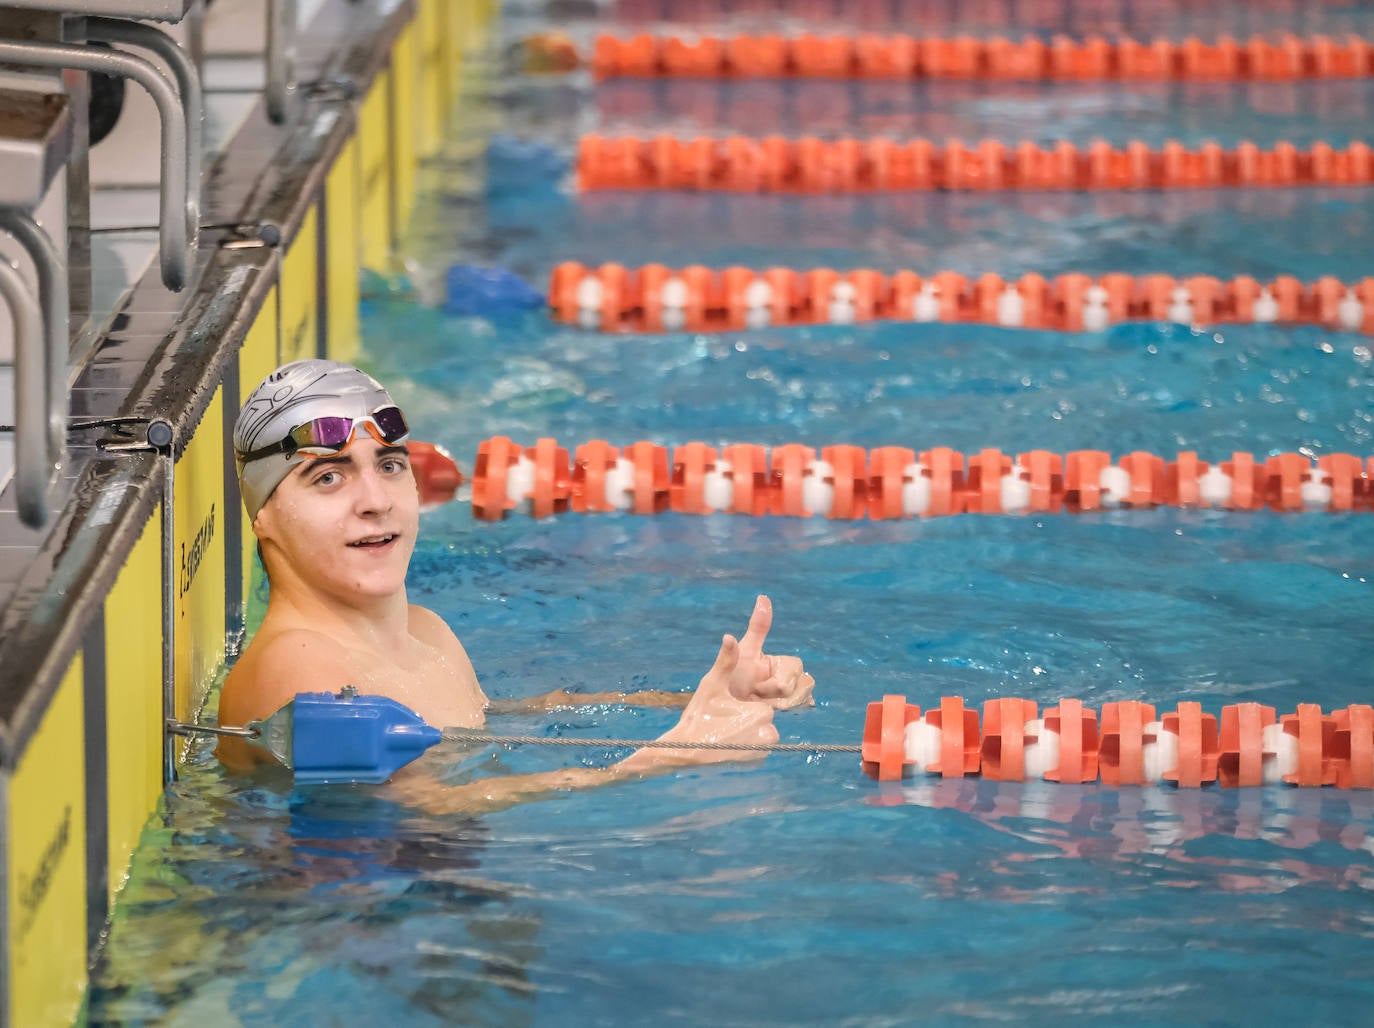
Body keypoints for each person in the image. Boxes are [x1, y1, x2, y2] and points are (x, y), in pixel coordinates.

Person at [219, 359, 815, 809]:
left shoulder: (425, 630)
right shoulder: (299, 668)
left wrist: (710, 701)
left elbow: (495, 718)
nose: (375, 501)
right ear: (262, 516)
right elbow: (426, 810)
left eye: (391, 466)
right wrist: (662, 758)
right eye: (327, 478)